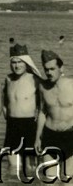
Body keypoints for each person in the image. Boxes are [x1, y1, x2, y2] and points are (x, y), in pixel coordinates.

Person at [3, 44, 41, 172]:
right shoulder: (8, 79)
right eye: (14, 62)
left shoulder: (34, 79)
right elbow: (4, 100)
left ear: (26, 63)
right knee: (13, 167)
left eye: (20, 62)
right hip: (12, 125)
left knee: (30, 168)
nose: (17, 65)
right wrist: (5, 112)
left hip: (29, 125)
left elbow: (43, 104)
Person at [35, 50, 73, 178]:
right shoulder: (43, 87)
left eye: (52, 69)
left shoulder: (71, 85)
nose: (49, 73)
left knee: (69, 179)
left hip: (70, 135)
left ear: (61, 68)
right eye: (46, 70)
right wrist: (37, 137)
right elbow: (42, 112)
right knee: (49, 179)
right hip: (50, 135)